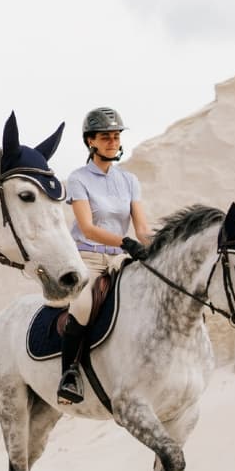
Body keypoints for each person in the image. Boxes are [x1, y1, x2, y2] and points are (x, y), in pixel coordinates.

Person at [57, 106, 153, 405]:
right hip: (88, 258)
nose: (112, 141)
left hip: (121, 260)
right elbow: (87, 227)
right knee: (84, 306)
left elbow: (142, 228)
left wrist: (155, 245)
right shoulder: (78, 179)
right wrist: (125, 241)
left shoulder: (129, 181)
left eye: (116, 136)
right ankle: (69, 373)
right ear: (91, 142)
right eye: (105, 137)